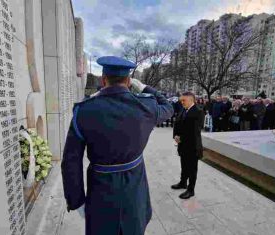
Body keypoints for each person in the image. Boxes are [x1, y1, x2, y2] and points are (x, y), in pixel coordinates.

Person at [61, 56, 174, 235]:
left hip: (101, 190)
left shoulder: (84, 111)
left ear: (103, 80)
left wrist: (77, 200)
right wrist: (144, 87)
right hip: (134, 186)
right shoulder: (146, 106)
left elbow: (70, 161)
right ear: (129, 81)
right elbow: (168, 106)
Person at [172, 92, 205, 199]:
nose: (181, 102)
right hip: (182, 144)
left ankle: (191, 190)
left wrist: (180, 137)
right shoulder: (183, 110)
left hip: (192, 146)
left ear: (191, 100)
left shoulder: (198, 112)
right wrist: (175, 135)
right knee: (184, 165)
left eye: (183, 100)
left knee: (192, 168)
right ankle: (183, 183)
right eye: (181, 100)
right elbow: (177, 123)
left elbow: (194, 131)